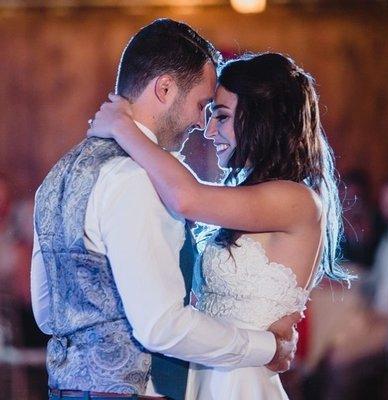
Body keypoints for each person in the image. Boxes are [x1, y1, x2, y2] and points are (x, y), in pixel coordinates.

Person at [31, 20, 298, 400]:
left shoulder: (56, 176)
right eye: (202, 105)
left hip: (65, 388)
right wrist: (267, 348)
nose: (200, 122)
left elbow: (46, 310)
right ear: (166, 88)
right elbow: (161, 327)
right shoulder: (138, 178)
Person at [88, 52, 351, 399]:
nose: (209, 131)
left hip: (241, 383)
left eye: (221, 117)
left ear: (263, 119)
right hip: (207, 374)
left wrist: (124, 127)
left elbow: (186, 197)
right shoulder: (253, 198)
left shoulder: (297, 200)